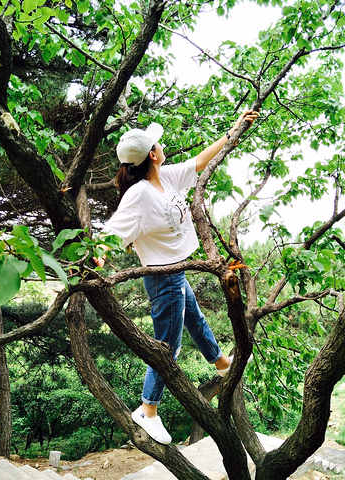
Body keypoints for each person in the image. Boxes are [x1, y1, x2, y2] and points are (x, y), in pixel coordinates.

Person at [94, 110, 259, 445]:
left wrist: (233, 130)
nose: (163, 142)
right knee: (167, 348)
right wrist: (92, 260)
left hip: (176, 268)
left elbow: (199, 162)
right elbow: (109, 234)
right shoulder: (139, 194)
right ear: (151, 154)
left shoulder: (165, 176)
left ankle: (222, 362)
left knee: (195, 319)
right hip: (161, 277)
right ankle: (147, 409)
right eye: (158, 142)